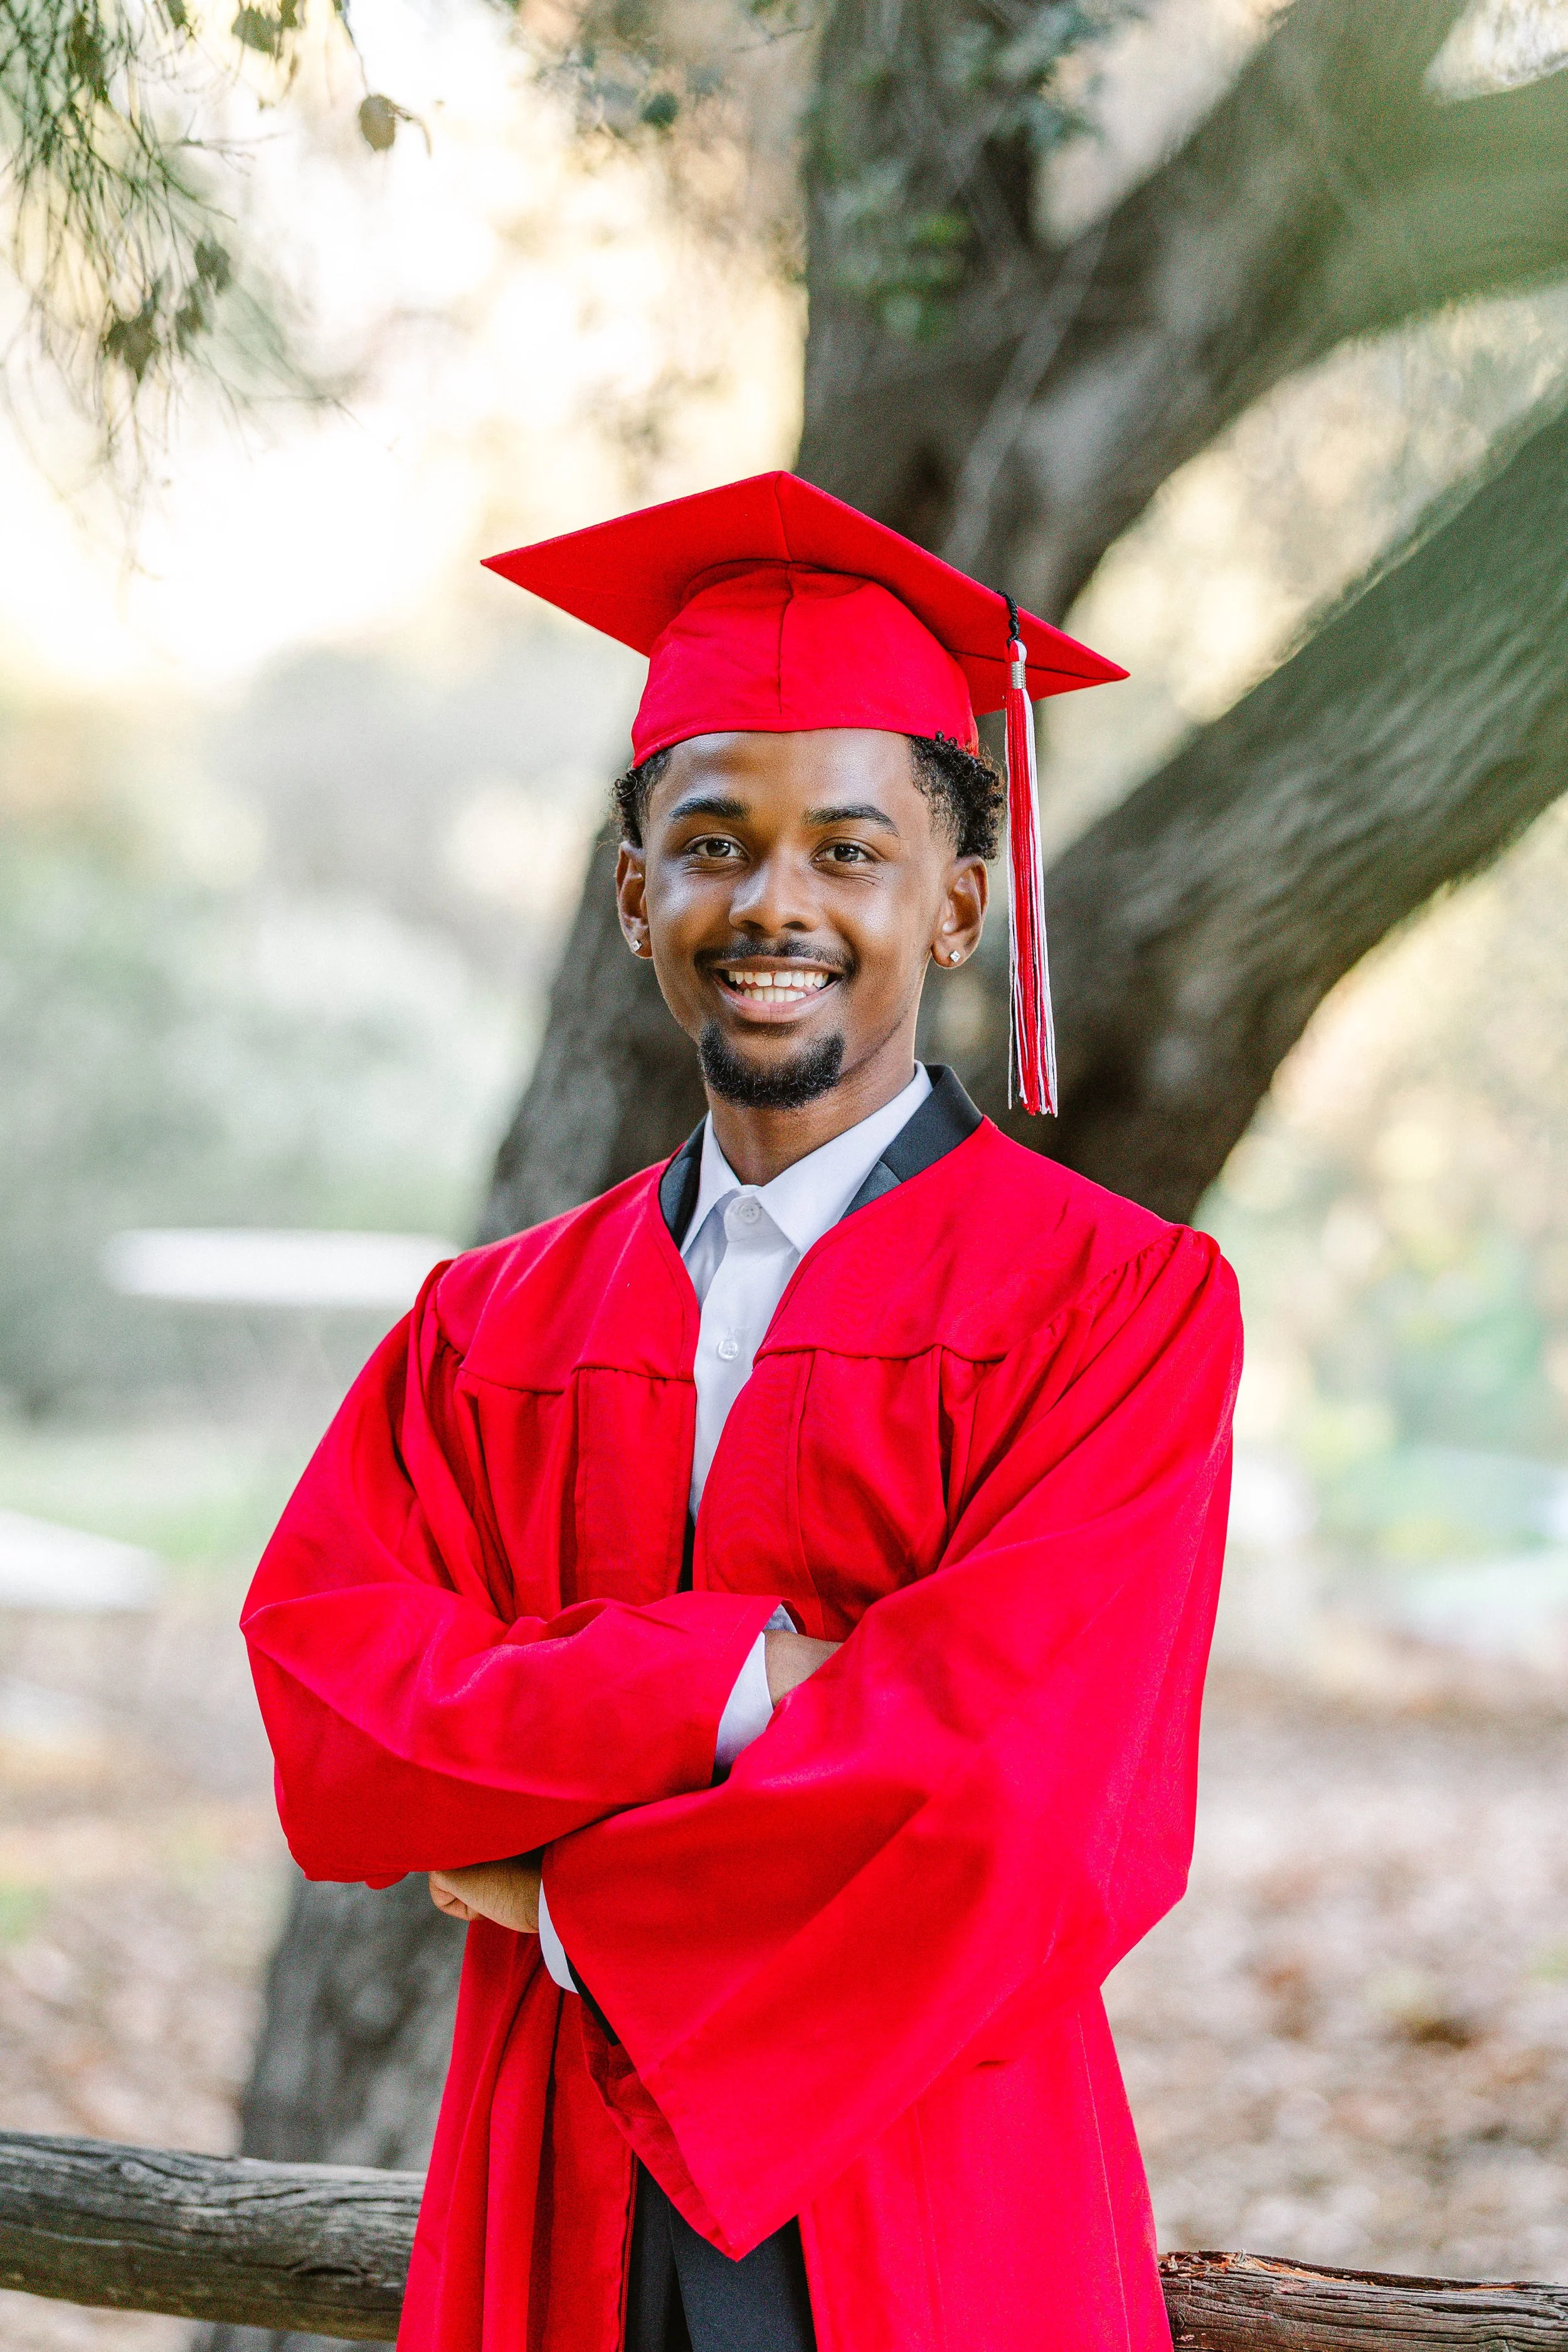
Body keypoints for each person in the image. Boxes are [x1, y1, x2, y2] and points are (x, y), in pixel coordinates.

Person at [241, 470, 1242, 2352]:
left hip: (936, 2181)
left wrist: (550, 1884)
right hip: (554, 2183)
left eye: (846, 849)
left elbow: (1016, 1806)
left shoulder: (1115, 1305)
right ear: (636, 895)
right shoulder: (491, 1325)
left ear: (956, 899)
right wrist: (740, 1684)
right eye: (713, 842)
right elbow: (336, 1710)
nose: (773, 901)